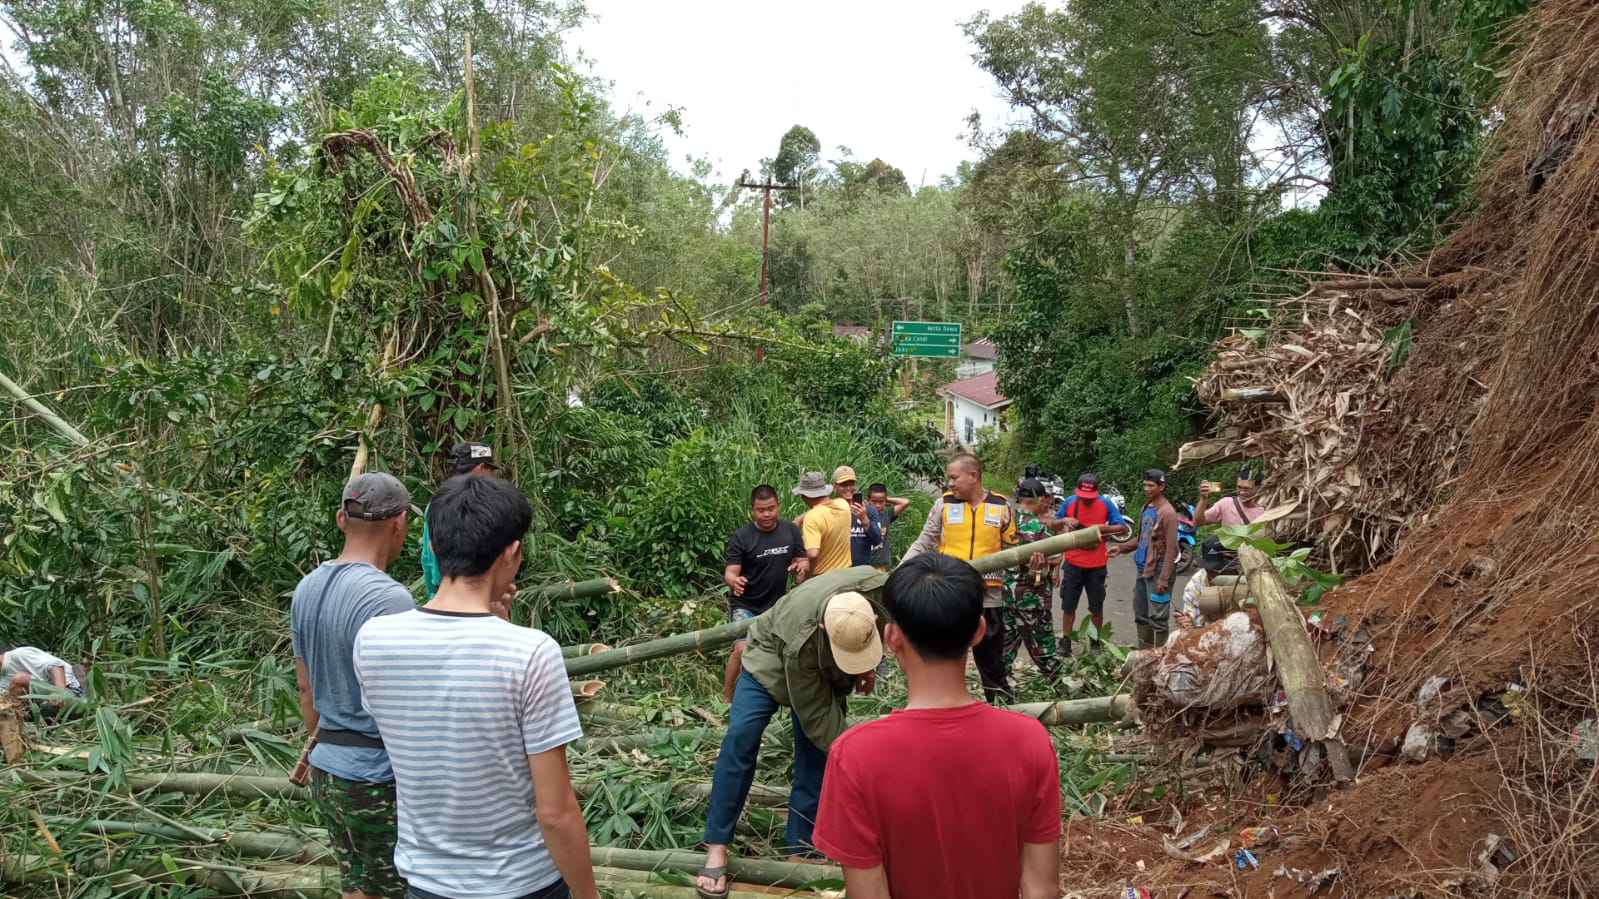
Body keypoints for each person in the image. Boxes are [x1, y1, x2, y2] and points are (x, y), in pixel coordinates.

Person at [354, 474, 600, 899]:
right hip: (522, 884)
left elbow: (433, 732)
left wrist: (495, 628)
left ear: (432, 545)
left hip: (426, 883)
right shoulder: (532, 653)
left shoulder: (373, 640)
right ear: (512, 551)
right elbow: (556, 813)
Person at [811, 552, 1061, 899]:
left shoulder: (854, 756)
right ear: (978, 631)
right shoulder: (1029, 740)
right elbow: (1041, 889)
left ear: (891, 637)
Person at [695, 567, 887, 899]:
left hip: (827, 662)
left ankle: (800, 847)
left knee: (815, 761)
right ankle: (717, 847)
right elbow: (820, 725)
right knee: (742, 738)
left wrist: (865, 663)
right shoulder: (804, 639)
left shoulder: (879, 590)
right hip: (771, 654)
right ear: (826, 629)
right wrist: (865, 768)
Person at [290, 471, 419, 899]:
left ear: (341, 519)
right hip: (374, 777)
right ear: (400, 523)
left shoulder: (306, 588)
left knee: (356, 886)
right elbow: (406, 707)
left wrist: (318, 748)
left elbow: (306, 690)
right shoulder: (390, 599)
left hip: (326, 768)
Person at [902, 453, 1017, 703]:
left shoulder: (1000, 506)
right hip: (950, 593)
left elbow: (1013, 549)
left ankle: (1000, 707)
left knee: (991, 661)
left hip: (989, 596)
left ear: (973, 476)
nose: (950, 483)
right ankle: (937, 706)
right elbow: (924, 542)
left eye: (954, 478)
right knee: (943, 657)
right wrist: (901, 570)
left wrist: (1034, 562)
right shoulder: (944, 504)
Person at [721, 484, 809, 702]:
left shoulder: (790, 530)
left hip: (777, 605)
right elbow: (730, 572)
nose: (767, 514)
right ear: (752, 510)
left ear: (778, 506)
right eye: (761, 510)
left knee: (781, 651)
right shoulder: (742, 536)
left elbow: (803, 560)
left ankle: (775, 694)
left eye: (771, 508)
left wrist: (801, 568)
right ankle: (727, 698)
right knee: (742, 650)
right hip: (745, 605)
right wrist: (735, 580)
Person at [1049, 472, 1131, 656]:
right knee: (1068, 605)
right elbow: (1053, 525)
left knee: (1096, 606)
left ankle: (1094, 641)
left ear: (1097, 492)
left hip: (1096, 565)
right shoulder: (1070, 502)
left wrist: (1102, 528)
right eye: (1083, 497)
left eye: (1089, 497)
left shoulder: (1106, 504)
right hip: (1073, 563)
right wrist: (1063, 520)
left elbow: (1123, 527)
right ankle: (1066, 641)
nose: (1086, 500)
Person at [1109, 468, 1179, 649]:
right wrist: (1122, 548)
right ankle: (1144, 652)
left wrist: (1164, 578)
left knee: (1158, 615)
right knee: (1141, 612)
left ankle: (1159, 655)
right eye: (1145, 485)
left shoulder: (1168, 513)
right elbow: (1142, 538)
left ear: (1162, 487)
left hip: (1158, 568)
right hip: (1143, 567)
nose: (1146, 488)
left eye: (1151, 485)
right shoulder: (1147, 507)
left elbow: (1171, 548)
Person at [420, 441, 501, 598]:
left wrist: (433, 595)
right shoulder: (485, 505)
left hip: (442, 592)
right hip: (477, 595)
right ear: (480, 468)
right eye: (490, 469)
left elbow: (426, 557)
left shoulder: (436, 503)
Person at [1004, 479, 1061, 681]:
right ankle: (1058, 685)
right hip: (1032, 599)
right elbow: (1056, 558)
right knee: (1044, 649)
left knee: (1004, 647)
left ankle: (1000, 689)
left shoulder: (1005, 520)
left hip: (1005, 597)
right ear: (1040, 500)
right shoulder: (1038, 527)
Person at [792, 471, 856, 576]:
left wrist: (809, 571)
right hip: (846, 573)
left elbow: (813, 554)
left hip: (823, 577)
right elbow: (826, 506)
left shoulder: (812, 518)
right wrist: (800, 519)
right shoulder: (843, 505)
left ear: (805, 496)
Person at [2, 645, 83, 716]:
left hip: (74, 695)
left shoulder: (19, 655)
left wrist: (59, 691)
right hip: (43, 707)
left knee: (20, 679)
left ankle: (13, 725)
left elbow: (56, 665)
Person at [1177, 536, 1237, 630]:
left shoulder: (1245, 580)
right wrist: (1189, 623)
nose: (1216, 573)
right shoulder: (1194, 586)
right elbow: (1195, 624)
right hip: (1207, 634)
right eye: (1211, 569)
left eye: (1220, 569)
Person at [831, 466, 883, 568]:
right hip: (836, 570)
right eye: (843, 484)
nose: (848, 488)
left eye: (851, 484)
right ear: (834, 487)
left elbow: (877, 541)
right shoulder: (829, 511)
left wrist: (864, 520)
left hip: (861, 571)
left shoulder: (870, 511)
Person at [1194, 465, 1266, 527]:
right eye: (1239, 487)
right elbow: (1198, 523)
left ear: (1259, 488)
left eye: (1247, 488)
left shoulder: (1267, 508)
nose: (1242, 492)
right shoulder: (1226, 503)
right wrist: (1203, 499)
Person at [864, 484, 910, 570]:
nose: (877, 505)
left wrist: (886, 498)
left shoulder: (887, 514)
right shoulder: (862, 515)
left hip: (881, 564)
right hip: (865, 564)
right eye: (874, 501)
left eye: (881, 501)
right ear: (868, 500)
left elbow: (905, 502)